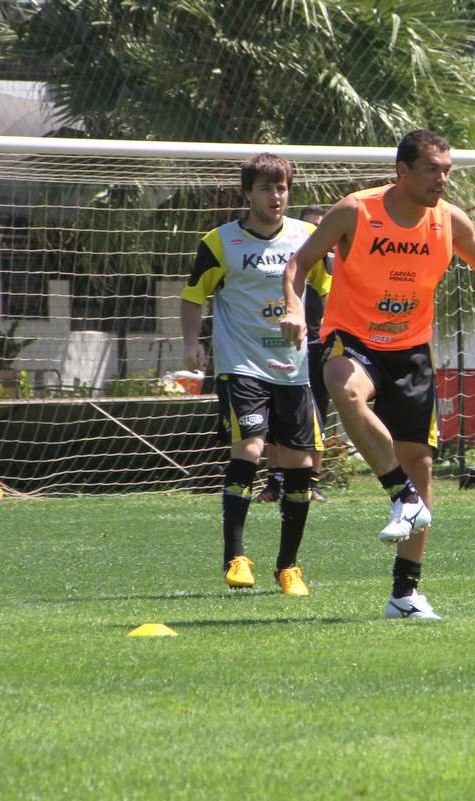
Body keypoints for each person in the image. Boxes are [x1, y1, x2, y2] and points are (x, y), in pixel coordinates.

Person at [280, 129, 475, 619]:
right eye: (432, 169)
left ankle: (405, 594)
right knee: (342, 385)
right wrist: (292, 306)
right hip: (354, 338)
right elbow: (300, 263)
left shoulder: (449, 220)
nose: (442, 179)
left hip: (412, 349)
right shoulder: (355, 211)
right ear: (402, 171)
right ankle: (402, 494)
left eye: (447, 170)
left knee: (421, 462)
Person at [181, 154, 331, 596]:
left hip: (293, 367)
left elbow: (329, 290)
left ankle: (288, 567)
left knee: (300, 463)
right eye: (266, 188)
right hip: (241, 363)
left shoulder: (307, 238)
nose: (276, 196)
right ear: (248, 193)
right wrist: (190, 343)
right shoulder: (220, 241)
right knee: (250, 446)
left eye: (281, 187)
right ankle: (235, 557)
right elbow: (193, 296)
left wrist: (328, 332)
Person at [258, 204, 333, 503]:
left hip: (318, 345)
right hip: (284, 345)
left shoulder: (329, 263)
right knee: (278, 414)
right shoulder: (287, 264)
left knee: (317, 414)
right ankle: (274, 482)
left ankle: (312, 483)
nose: (316, 233)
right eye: (310, 226)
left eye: (321, 227)